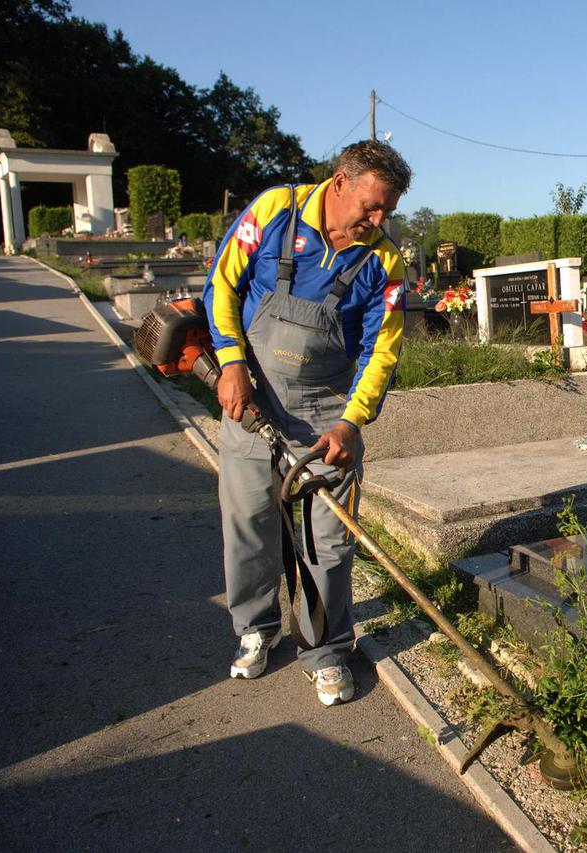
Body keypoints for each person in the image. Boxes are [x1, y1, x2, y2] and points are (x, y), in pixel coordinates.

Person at [201, 141, 410, 705]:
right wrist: (231, 362)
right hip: (253, 396)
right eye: (370, 206)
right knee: (249, 525)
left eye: (387, 211)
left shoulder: (385, 264)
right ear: (339, 182)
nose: (377, 221)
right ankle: (256, 630)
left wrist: (351, 423)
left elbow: (381, 351)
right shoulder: (273, 212)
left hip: (325, 415)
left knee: (328, 543)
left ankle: (327, 651)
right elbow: (222, 284)